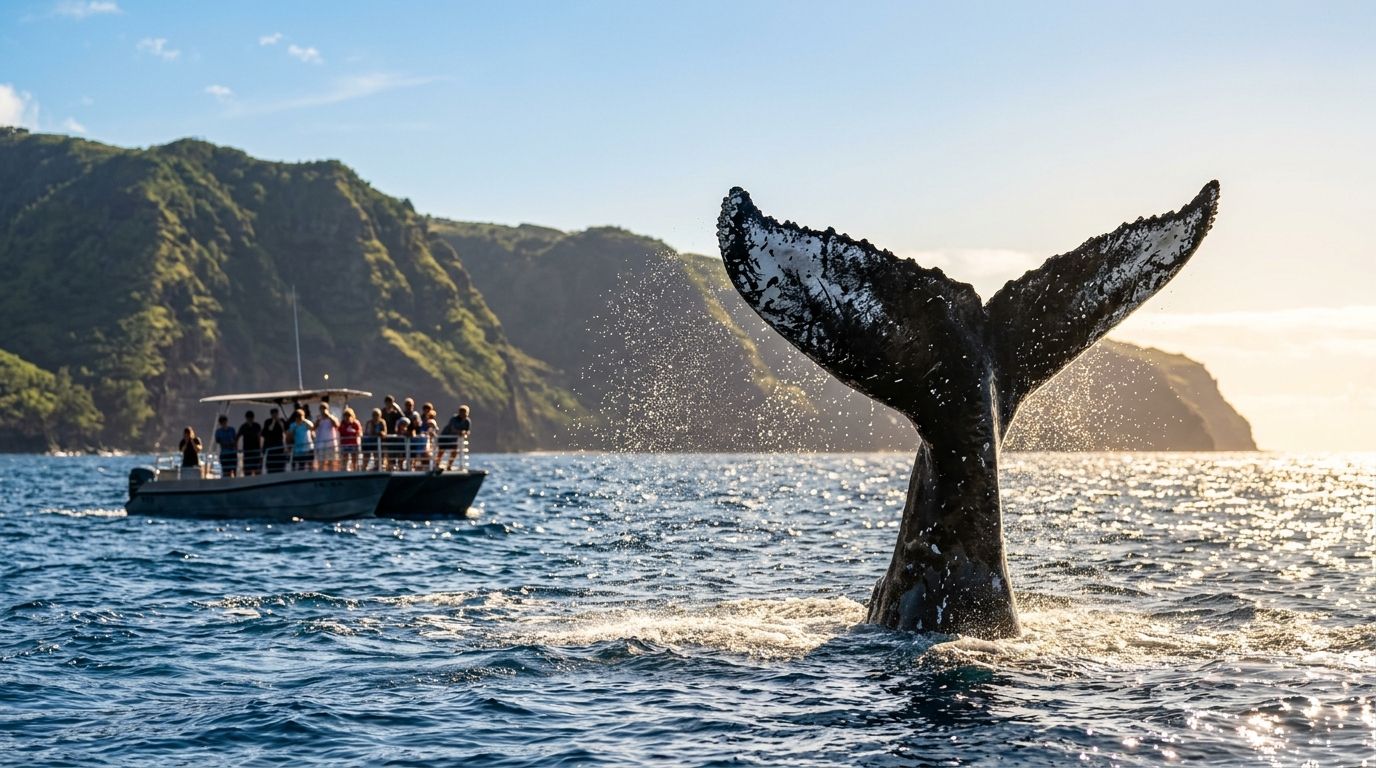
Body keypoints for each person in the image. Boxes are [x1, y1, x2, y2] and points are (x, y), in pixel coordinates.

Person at [439, 405, 471, 471]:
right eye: (462, 412)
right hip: (445, 437)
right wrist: (461, 432)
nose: (464, 414)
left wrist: (464, 432)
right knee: (441, 451)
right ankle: (437, 464)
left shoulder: (467, 421)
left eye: (465, 413)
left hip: (453, 439)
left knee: (454, 452)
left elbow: (467, 431)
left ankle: (449, 466)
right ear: (459, 412)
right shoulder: (454, 419)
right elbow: (452, 429)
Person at [315, 403, 340, 471]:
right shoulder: (319, 418)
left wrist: (329, 416)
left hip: (331, 443)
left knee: (331, 461)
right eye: (321, 409)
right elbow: (314, 427)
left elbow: (337, 425)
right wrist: (318, 420)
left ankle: (331, 473)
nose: (323, 410)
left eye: (324, 408)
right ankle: (320, 473)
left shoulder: (332, 417)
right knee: (321, 461)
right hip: (320, 443)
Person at [237, 410, 263, 476]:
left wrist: (260, 448)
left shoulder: (257, 426)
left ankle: (258, 480)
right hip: (247, 450)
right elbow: (237, 438)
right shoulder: (243, 426)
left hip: (256, 450)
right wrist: (237, 449)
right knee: (247, 470)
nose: (250, 419)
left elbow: (259, 437)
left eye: (251, 417)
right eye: (249, 417)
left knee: (257, 469)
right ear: (246, 418)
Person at [262, 407, 287, 473]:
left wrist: (279, 421)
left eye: (276, 414)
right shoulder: (268, 421)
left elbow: (284, 430)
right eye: (273, 414)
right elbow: (270, 429)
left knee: (280, 463)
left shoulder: (281, 420)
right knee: (271, 464)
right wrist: (274, 421)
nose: (275, 415)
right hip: (271, 445)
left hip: (279, 445)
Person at [338, 406, 362, 471]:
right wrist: (347, 430)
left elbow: (359, 432)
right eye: (345, 416)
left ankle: (355, 469)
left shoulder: (356, 423)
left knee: (354, 458)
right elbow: (340, 431)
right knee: (345, 458)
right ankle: (345, 469)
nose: (347, 417)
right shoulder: (342, 423)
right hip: (345, 444)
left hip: (354, 444)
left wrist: (353, 431)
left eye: (348, 416)